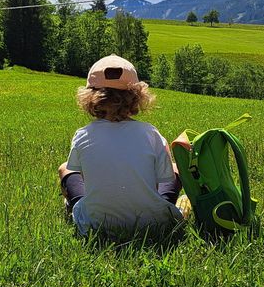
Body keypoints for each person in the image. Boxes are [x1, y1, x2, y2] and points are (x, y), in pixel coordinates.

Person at [58, 54, 185, 239]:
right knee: (173, 169)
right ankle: (174, 209)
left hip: (97, 225)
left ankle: (75, 207)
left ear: (90, 97)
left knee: (65, 168)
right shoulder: (151, 133)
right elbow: (161, 181)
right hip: (153, 224)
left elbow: (88, 179)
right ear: (136, 97)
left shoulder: (82, 134)